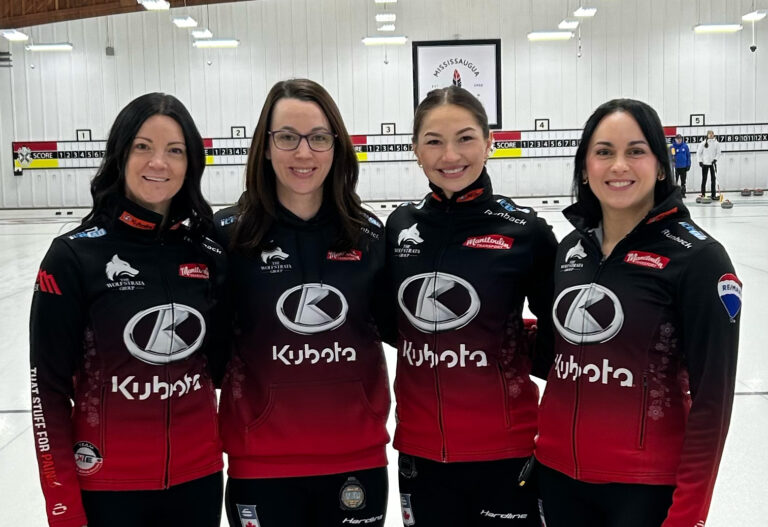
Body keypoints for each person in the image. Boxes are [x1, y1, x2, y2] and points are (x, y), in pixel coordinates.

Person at [535, 99, 741, 527]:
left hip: (644, 490)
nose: (618, 165)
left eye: (635, 150)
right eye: (604, 151)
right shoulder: (570, 250)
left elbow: (713, 404)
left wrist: (687, 516)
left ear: (661, 166)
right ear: (585, 166)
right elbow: (559, 349)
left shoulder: (700, 258)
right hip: (556, 477)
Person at [29, 92, 227, 527]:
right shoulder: (73, 257)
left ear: (191, 162)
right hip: (107, 486)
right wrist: (62, 504)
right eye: (143, 147)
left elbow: (224, 360)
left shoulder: (208, 251)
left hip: (199, 479)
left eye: (175, 151)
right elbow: (48, 393)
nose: (159, 163)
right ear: (120, 154)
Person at [214, 79, 390, 527]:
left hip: (356, 458)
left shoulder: (369, 234)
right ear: (266, 147)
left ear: (336, 146)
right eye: (287, 137)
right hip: (261, 463)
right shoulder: (228, 236)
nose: (304, 153)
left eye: (318, 138)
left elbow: (399, 325)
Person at [386, 86, 557, 526]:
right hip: (421, 451)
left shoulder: (525, 232)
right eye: (433, 141)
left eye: (465, 138)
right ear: (415, 151)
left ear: (489, 143)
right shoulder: (400, 226)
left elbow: (563, 336)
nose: (450, 155)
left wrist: (508, 349)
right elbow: (391, 321)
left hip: (506, 451)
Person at [696, 130, 721, 200]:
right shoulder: (703, 143)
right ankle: (703, 194)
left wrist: (715, 159)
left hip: (712, 164)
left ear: (713, 135)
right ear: (707, 135)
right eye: (709, 134)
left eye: (712, 134)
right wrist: (700, 161)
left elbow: (719, 153)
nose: (711, 135)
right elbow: (698, 153)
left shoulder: (716, 143)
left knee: (713, 180)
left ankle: (713, 195)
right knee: (704, 179)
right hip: (705, 164)